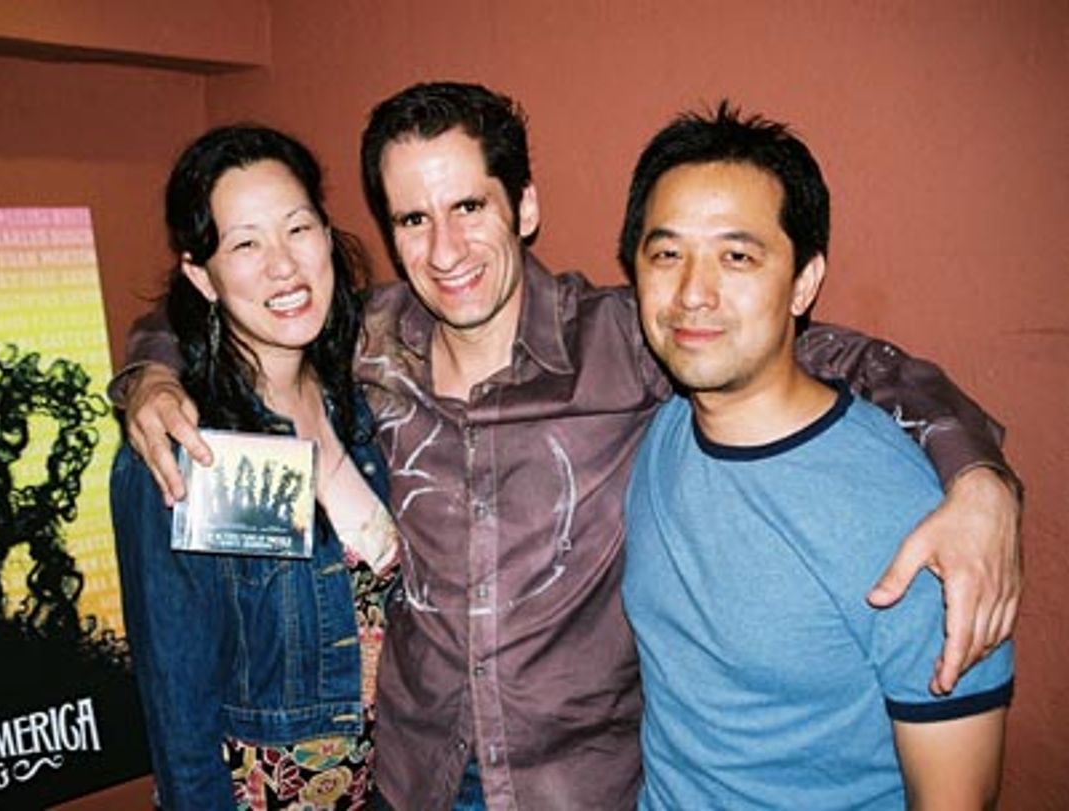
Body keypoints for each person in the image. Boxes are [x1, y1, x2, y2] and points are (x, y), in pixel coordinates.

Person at [112, 83, 1021, 810]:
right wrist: (148, 374)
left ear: (526, 205)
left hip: (577, 788)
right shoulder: (372, 342)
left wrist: (978, 477)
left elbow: (843, 359)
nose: (447, 248)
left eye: (470, 204)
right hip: (410, 780)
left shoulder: (635, 338)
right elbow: (233, 313)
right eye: (414, 220)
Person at [620, 103, 1013, 809]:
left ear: (804, 282)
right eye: (667, 253)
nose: (692, 293)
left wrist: (986, 479)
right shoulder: (659, 434)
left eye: (737, 256)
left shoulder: (914, 520)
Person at [110, 124, 398, 810]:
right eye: (245, 243)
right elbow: (177, 705)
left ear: (328, 235)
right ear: (199, 276)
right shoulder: (186, 447)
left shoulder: (362, 405)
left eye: (298, 228)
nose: (283, 265)